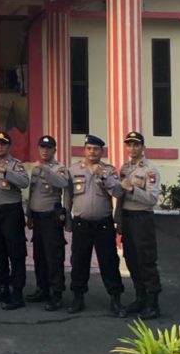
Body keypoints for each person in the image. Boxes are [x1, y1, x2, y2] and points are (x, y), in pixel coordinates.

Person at [66, 133, 126, 316]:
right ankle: (78, 298)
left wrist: (105, 177)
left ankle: (115, 300)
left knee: (109, 262)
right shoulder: (74, 170)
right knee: (79, 261)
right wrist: (67, 218)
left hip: (103, 225)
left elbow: (118, 192)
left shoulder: (109, 170)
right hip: (81, 224)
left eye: (96, 149)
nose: (92, 152)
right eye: (89, 148)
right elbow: (68, 196)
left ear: (102, 151)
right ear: (84, 150)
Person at [117, 130, 163, 319]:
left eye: (136, 144)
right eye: (129, 144)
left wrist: (132, 189)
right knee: (131, 259)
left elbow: (152, 199)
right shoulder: (125, 168)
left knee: (146, 260)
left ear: (143, 147)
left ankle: (153, 303)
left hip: (142, 218)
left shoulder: (150, 170)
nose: (132, 148)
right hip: (127, 218)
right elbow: (120, 196)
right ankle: (140, 298)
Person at [0, 130, 30, 310]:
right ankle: (2, 287)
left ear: (9, 146)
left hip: (11, 213)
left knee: (16, 253)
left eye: (3, 144)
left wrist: (5, 172)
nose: (0, 146)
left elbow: (24, 182)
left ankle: (17, 292)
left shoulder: (16, 165)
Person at [26, 135, 70, 311]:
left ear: (54, 150)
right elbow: (32, 193)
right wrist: (29, 214)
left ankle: (56, 293)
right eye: (42, 147)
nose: (45, 150)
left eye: (49, 148)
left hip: (51, 218)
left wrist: (46, 170)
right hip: (37, 218)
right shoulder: (35, 169)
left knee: (54, 257)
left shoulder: (59, 168)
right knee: (39, 256)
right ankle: (42, 288)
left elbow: (62, 183)